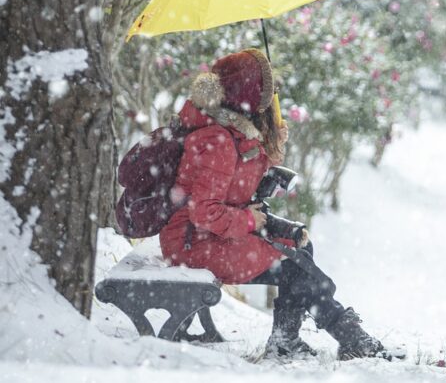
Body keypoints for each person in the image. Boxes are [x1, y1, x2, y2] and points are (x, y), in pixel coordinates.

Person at [159, 48, 390, 361]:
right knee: (294, 266)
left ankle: (288, 340)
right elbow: (204, 212)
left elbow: (237, 183)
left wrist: (271, 147)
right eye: (266, 89)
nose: (271, 96)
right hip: (192, 244)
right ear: (249, 93)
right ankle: (346, 336)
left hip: (207, 235)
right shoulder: (217, 139)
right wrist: (251, 221)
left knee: (298, 246)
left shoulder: (231, 129)